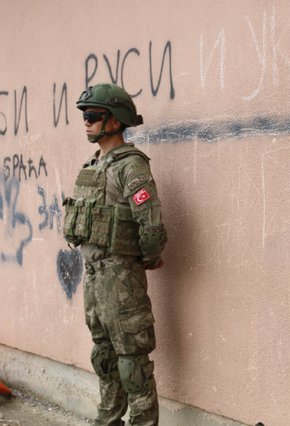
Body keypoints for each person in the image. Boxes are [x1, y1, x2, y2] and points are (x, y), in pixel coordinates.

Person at [63, 83, 167, 426]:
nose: (86, 122)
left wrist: (149, 256)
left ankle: (142, 421)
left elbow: (150, 223)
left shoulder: (130, 166)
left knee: (131, 359)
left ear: (115, 121)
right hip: (94, 275)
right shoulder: (96, 164)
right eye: (85, 116)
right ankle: (108, 418)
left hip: (121, 276)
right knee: (104, 354)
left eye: (93, 116)